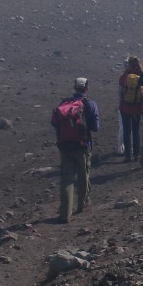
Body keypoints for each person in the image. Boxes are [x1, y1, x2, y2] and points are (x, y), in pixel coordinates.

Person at [52, 77, 100, 223]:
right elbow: (96, 127)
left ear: (75, 88)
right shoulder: (89, 104)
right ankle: (81, 205)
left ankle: (65, 214)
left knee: (67, 180)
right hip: (82, 145)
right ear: (86, 88)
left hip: (65, 146)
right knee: (83, 175)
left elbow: (54, 123)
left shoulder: (64, 103)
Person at [118, 56, 143, 163]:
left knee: (127, 131)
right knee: (136, 130)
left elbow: (120, 93)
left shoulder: (124, 77)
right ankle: (137, 154)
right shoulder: (141, 75)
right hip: (137, 108)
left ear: (129, 64)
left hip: (126, 107)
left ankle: (128, 155)